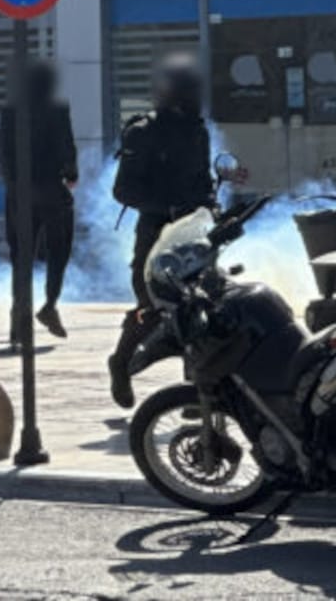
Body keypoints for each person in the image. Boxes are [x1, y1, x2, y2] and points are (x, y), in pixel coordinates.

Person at [107, 55, 216, 410]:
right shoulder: (143, 131)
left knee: (200, 310)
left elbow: (203, 180)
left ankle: (196, 393)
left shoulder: (198, 131)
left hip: (194, 235)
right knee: (152, 308)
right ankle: (121, 362)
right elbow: (124, 190)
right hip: (156, 235)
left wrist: (210, 205)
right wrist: (167, 207)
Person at [0, 59, 78, 340]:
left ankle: (18, 314)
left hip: (19, 192)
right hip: (50, 188)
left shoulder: (10, 110)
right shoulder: (57, 109)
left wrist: (13, 185)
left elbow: (4, 153)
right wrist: (71, 173)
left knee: (21, 256)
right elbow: (66, 145)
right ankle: (50, 304)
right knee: (59, 250)